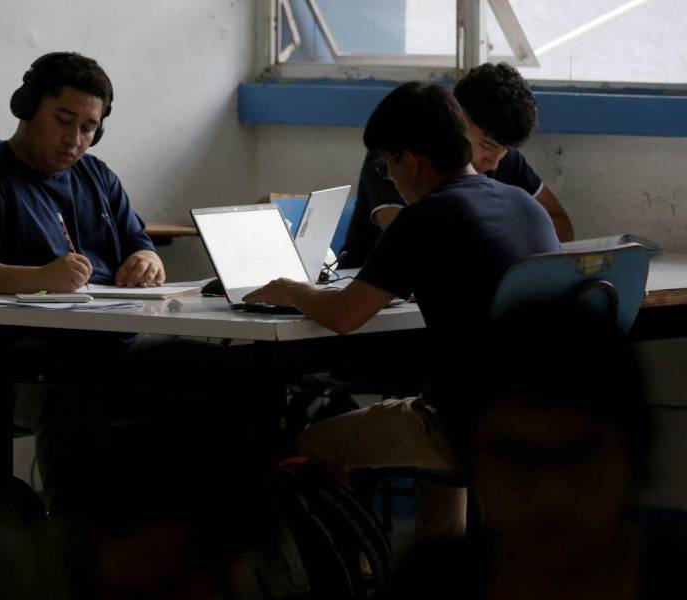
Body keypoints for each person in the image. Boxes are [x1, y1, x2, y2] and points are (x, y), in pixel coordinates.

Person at [0, 52, 259, 517]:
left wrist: (146, 261)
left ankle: (214, 538)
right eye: (63, 120)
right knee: (74, 395)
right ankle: (78, 554)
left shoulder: (97, 177)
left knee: (225, 372)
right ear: (27, 107)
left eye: (89, 127)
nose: (75, 139)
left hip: (104, 348)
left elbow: (139, 245)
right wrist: (41, 280)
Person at [243, 81, 561, 537]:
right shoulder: (523, 206)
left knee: (309, 446)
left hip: (458, 429)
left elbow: (344, 315)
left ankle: (354, 574)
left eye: (388, 165)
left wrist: (291, 290)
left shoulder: (424, 218)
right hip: (537, 421)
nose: (389, 178)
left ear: (411, 160)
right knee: (436, 419)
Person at [388, 306, 683, 600]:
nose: (549, 492)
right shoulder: (427, 583)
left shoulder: (433, 581)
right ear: (470, 461)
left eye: (579, 455)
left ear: (635, 456)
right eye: (517, 459)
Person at [340, 62, 573, 269]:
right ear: (458, 116)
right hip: (366, 288)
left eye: (504, 151)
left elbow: (561, 226)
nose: (493, 164)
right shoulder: (400, 154)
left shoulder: (503, 162)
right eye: (487, 145)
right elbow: (408, 243)